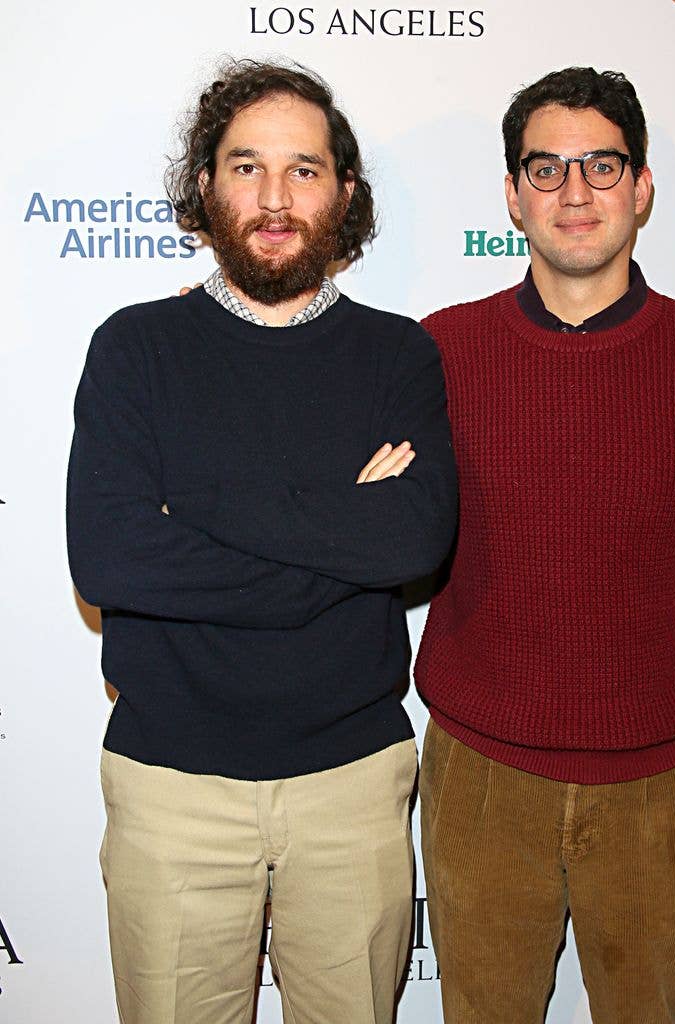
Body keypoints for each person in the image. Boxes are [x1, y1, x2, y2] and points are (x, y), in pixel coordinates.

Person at [415, 66, 675, 1024]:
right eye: (546, 169)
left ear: (640, 188)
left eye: (601, 164)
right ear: (512, 196)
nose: (576, 191)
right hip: (480, 781)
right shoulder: (439, 351)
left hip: (662, 789)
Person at [66, 59, 457, 1024]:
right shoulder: (135, 347)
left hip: (354, 784)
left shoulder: (399, 354)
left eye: (305, 170)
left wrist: (196, 510)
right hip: (172, 788)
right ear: (205, 186)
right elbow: (111, 558)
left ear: (345, 193)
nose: (275, 198)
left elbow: (413, 539)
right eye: (247, 166)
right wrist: (335, 519)